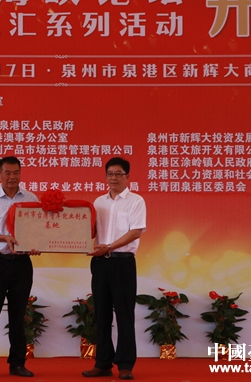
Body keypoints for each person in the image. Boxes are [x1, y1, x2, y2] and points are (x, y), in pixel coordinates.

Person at [0, 156, 41, 379]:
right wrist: (4, 238)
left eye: (16, 173)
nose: (12, 177)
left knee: (18, 316)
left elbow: (38, 230)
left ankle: (17, 364)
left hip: (22, 263)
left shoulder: (31, 198)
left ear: (21, 174)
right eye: (7, 173)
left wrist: (37, 244)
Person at [82, 157, 147, 380]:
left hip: (123, 262)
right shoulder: (98, 202)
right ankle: (103, 363)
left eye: (119, 174)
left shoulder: (136, 201)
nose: (114, 178)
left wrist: (109, 246)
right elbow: (89, 230)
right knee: (101, 314)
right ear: (105, 176)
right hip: (100, 263)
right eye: (110, 174)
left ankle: (125, 365)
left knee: (124, 314)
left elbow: (135, 232)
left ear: (127, 176)